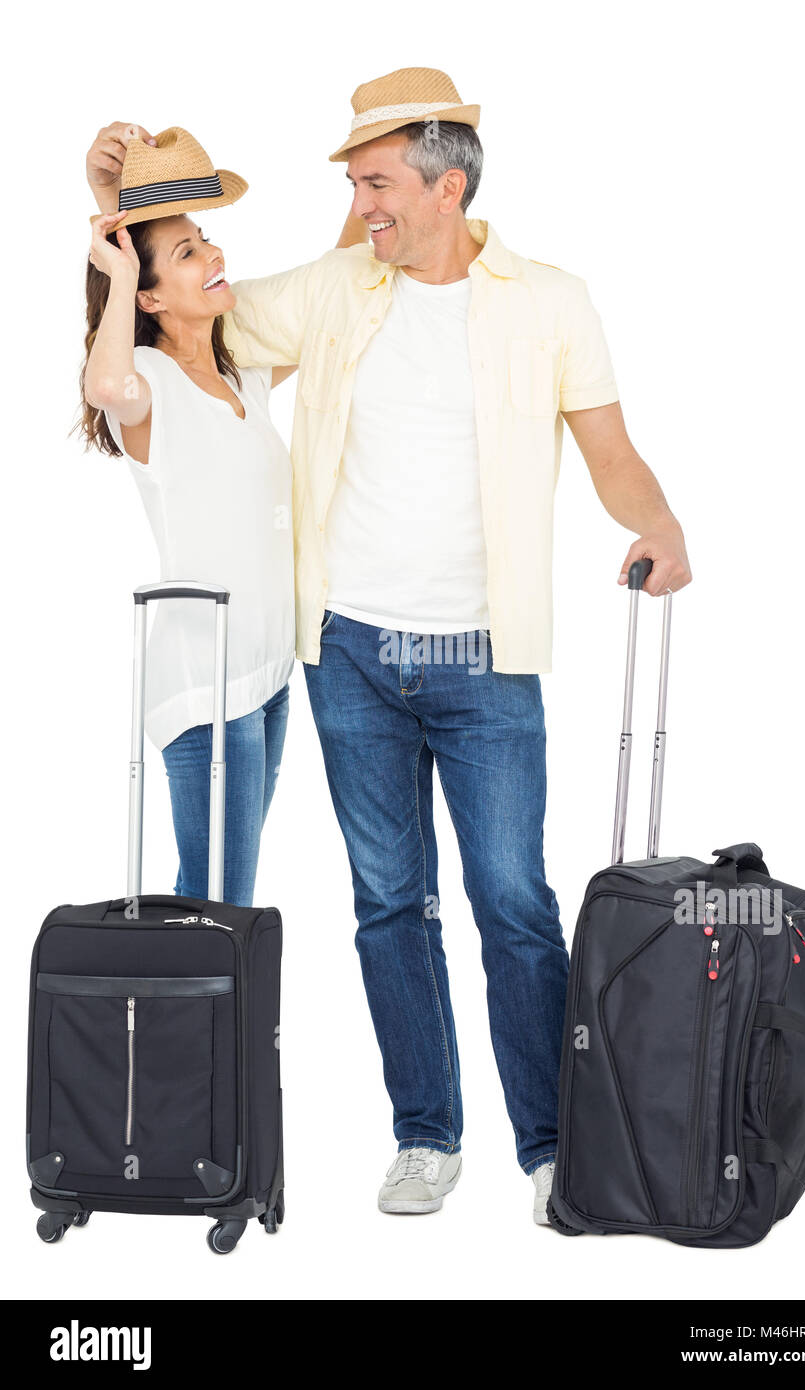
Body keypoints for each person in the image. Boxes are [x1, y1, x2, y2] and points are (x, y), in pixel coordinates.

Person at [220, 66, 692, 1221]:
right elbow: (195, 324)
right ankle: (425, 1134)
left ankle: (549, 1142)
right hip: (350, 656)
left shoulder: (549, 298)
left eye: (375, 181)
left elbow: (608, 449)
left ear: (447, 185)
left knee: (512, 903)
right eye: (353, 182)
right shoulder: (334, 288)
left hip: (486, 658)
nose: (359, 203)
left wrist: (661, 521)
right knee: (388, 902)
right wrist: (123, 219)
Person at [80, 124, 367, 906]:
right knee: (221, 905)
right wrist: (114, 258)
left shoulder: (240, 371)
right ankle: (197, 1031)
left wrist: (365, 183)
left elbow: (328, 285)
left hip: (266, 673)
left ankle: (170, 1029)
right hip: (209, 687)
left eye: (205, 240)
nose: (212, 257)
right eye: (184, 255)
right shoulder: (146, 381)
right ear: (147, 295)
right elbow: (105, 387)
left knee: (206, 896)